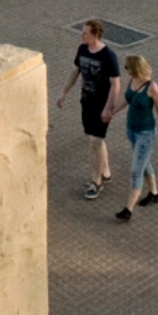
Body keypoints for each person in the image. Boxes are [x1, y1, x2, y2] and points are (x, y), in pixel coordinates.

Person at [55, 18, 123, 200]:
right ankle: (106, 172)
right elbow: (75, 71)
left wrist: (108, 108)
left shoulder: (108, 56)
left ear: (95, 35)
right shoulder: (82, 49)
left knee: (95, 141)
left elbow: (116, 84)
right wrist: (64, 92)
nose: (81, 35)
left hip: (101, 105)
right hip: (86, 102)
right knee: (96, 139)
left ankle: (96, 181)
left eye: (85, 33)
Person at [114, 54, 158, 222]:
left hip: (145, 134)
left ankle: (128, 210)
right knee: (144, 162)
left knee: (136, 170)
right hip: (132, 130)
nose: (126, 71)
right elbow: (126, 99)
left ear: (136, 69)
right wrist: (112, 111)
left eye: (127, 68)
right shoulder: (133, 81)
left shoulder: (152, 88)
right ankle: (154, 193)